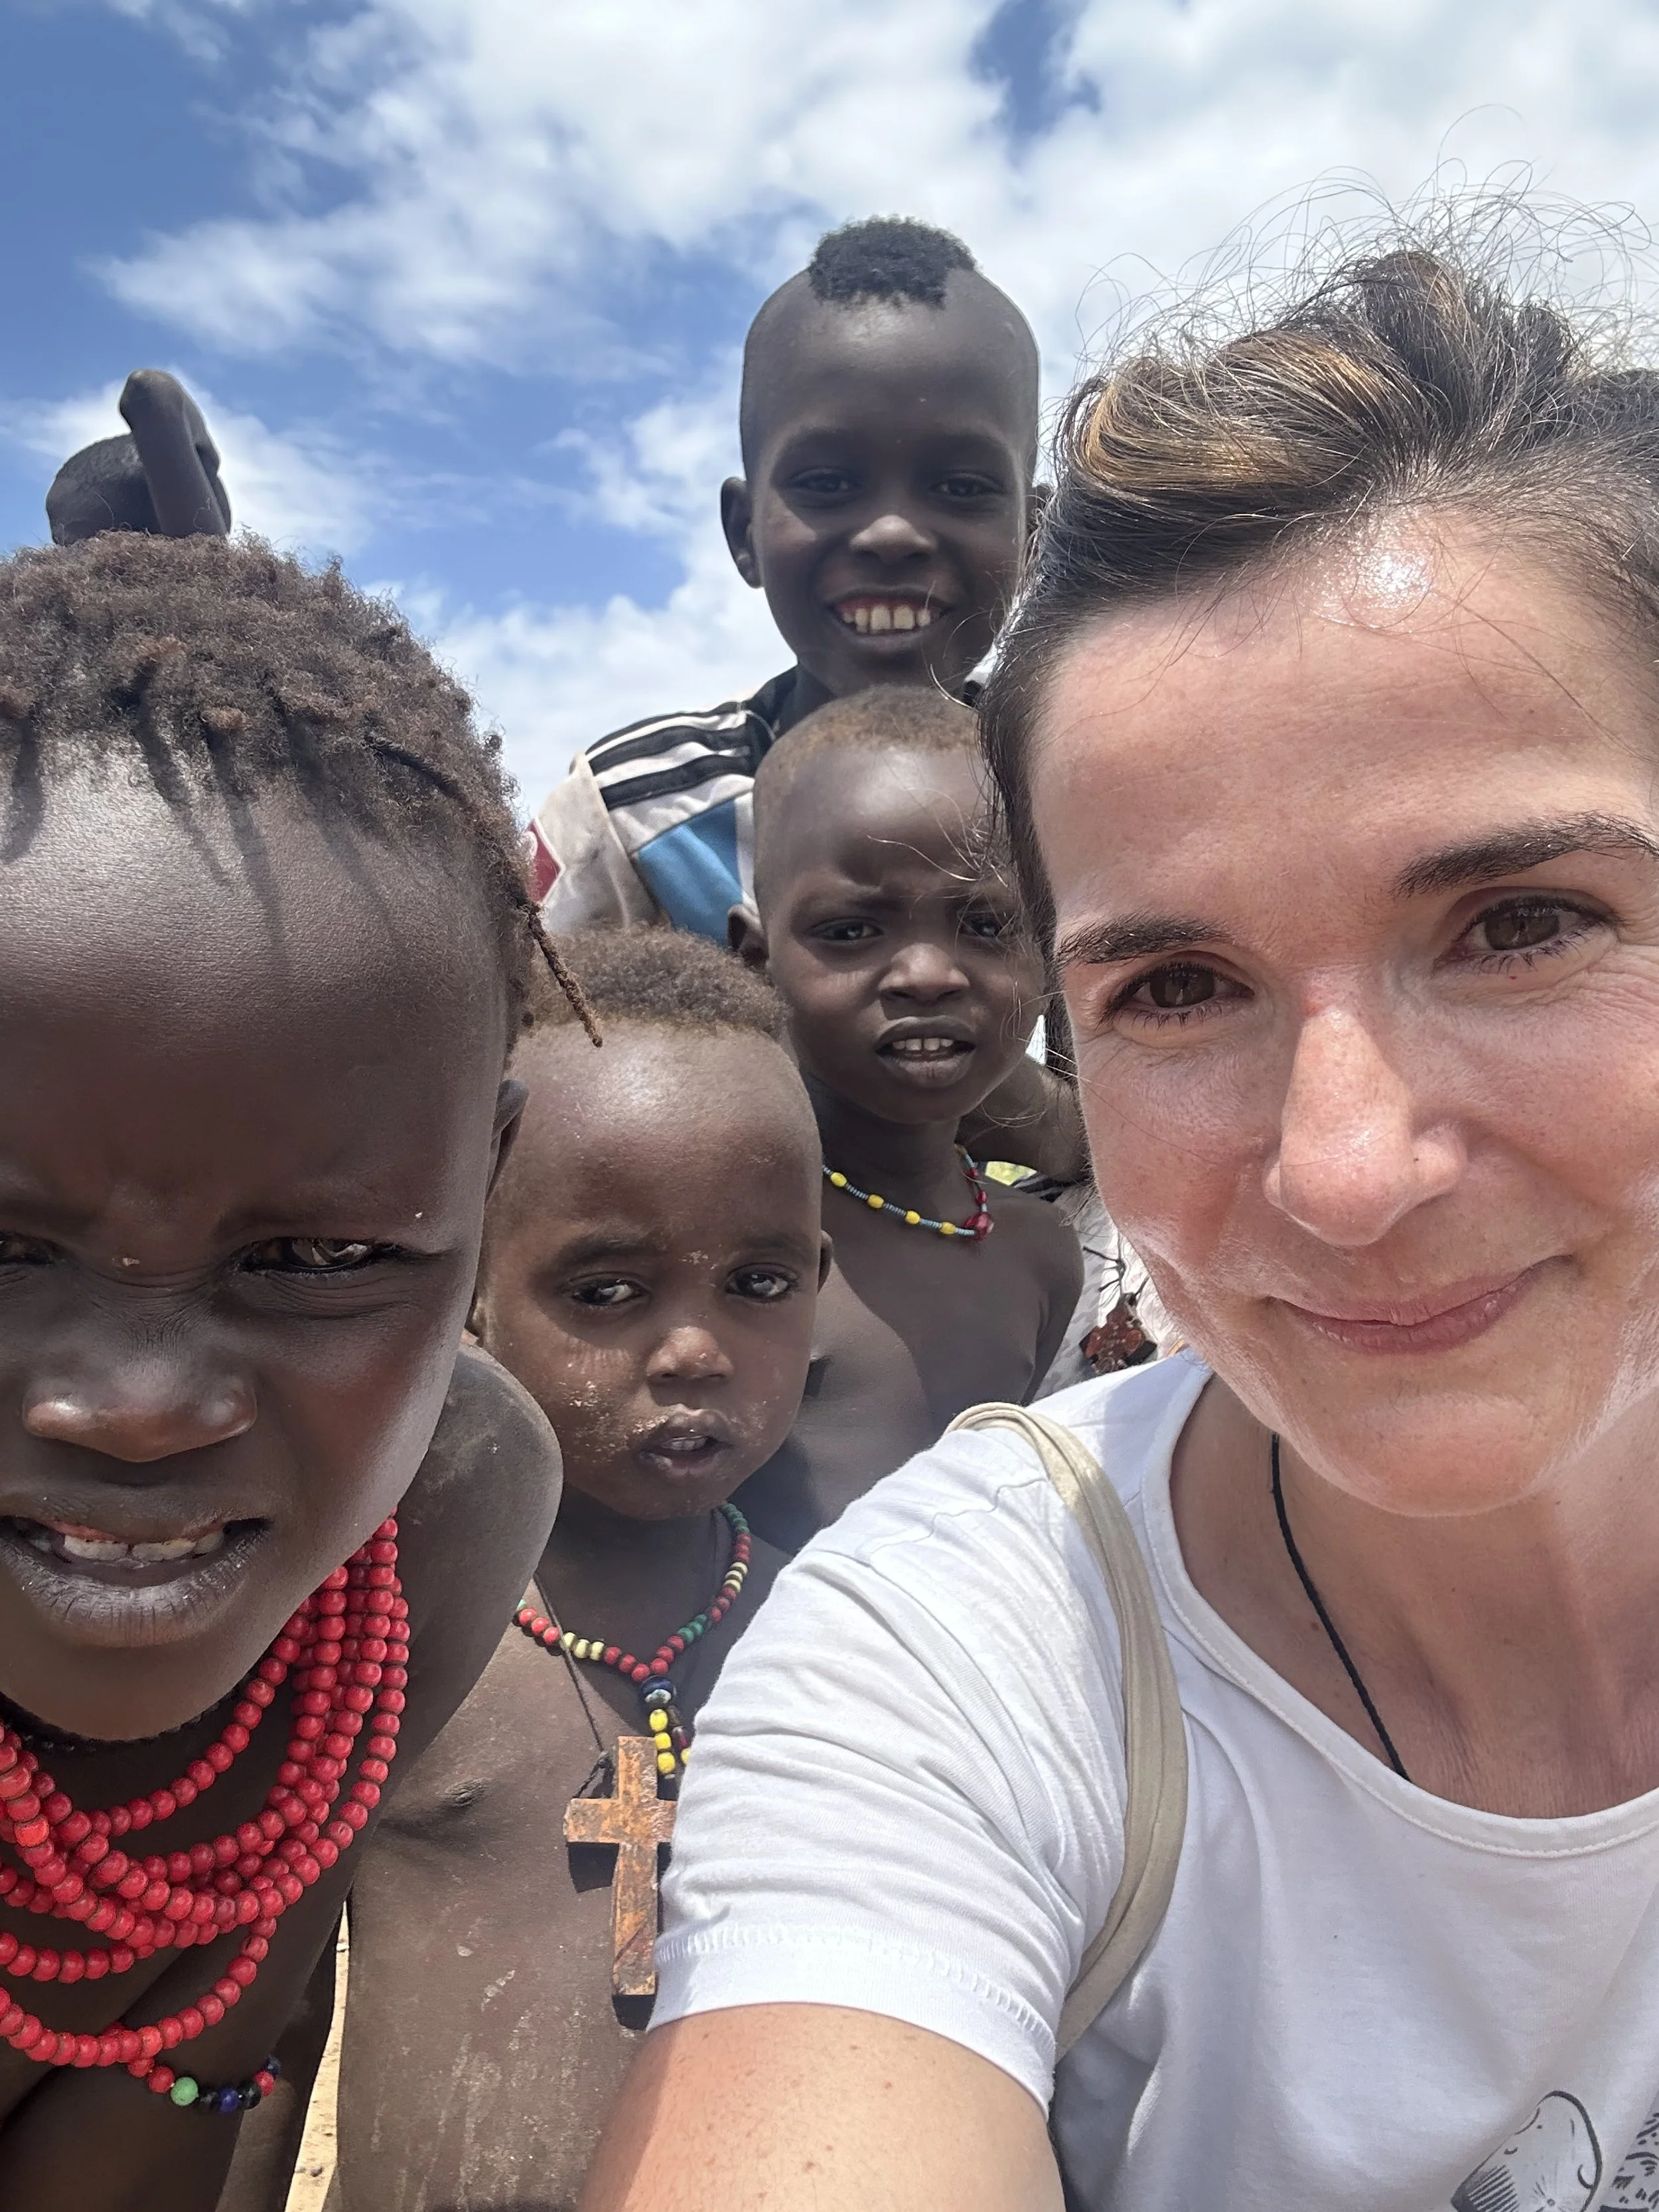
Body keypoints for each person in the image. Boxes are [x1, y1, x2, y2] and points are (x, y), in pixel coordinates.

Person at [579, 232, 1659, 2211]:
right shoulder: (946, 1673)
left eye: (1519, 924)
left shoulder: (1030, 1203)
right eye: (1171, 984)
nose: (1340, 1170)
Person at [0, 532, 565, 2212]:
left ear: (487, 1188)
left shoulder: (435, 1530)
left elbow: (172, 2095)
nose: (138, 1404)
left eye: (317, 1261)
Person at [335, 930, 826, 2211]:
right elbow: (257, 2044)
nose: (693, 1349)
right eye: (605, 1288)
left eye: (759, 1282)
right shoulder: (383, 1637)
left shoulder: (833, 1635)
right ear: (475, 1299)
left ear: (820, 1288)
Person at [528, 216, 1041, 943]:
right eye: (828, 481)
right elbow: (520, 1045)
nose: (892, 535)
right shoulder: (630, 818)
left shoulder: (1068, 789)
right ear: (744, 533)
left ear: (1032, 535)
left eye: (959, 487)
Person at [730, 687, 1082, 1550]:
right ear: (754, 960)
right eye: (852, 930)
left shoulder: (1039, 1253)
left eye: (986, 922)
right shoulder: (729, 1238)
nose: (927, 973)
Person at [46, 370, 232, 544]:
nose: (61, 557)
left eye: (86, 543)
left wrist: (207, 463)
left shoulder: (196, 565)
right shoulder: (201, 567)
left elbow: (153, 391)